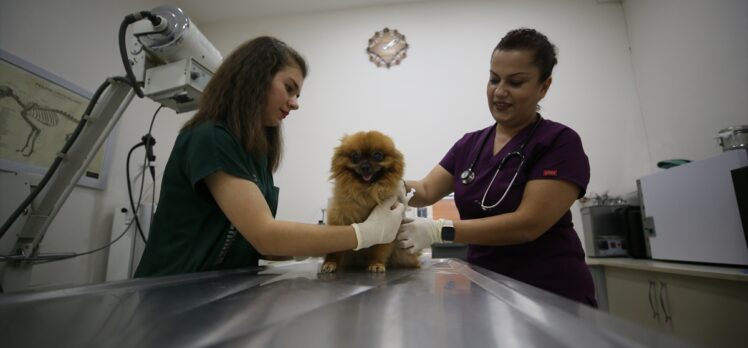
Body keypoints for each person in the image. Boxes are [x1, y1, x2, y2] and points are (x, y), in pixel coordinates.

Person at [135, 36, 404, 278]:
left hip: (220, 291)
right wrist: (365, 233)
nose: (295, 102)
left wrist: (315, 245)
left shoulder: (255, 156)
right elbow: (265, 236)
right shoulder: (212, 138)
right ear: (256, 78)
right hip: (175, 288)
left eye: (297, 94)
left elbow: (254, 243)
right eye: (289, 88)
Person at [396, 28, 597, 306]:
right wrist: (389, 184)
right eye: (493, 79)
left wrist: (437, 230)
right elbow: (427, 190)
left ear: (544, 86)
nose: (500, 92)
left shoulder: (559, 142)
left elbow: (528, 224)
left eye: (515, 82)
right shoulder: (470, 144)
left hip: (548, 290)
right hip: (486, 286)